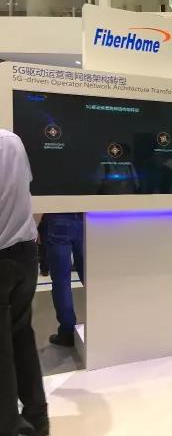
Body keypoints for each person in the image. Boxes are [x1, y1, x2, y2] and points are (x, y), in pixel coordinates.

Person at [0, 129, 49, 436]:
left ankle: (8, 425)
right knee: (21, 335)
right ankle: (37, 417)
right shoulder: (13, 141)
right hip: (24, 253)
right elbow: (28, 191)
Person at [45, 213, 85, 347]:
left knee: (61, 280)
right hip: (85, 217)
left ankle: (67, 333)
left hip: (58, 218)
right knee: (90, 276)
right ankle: (102, 320)